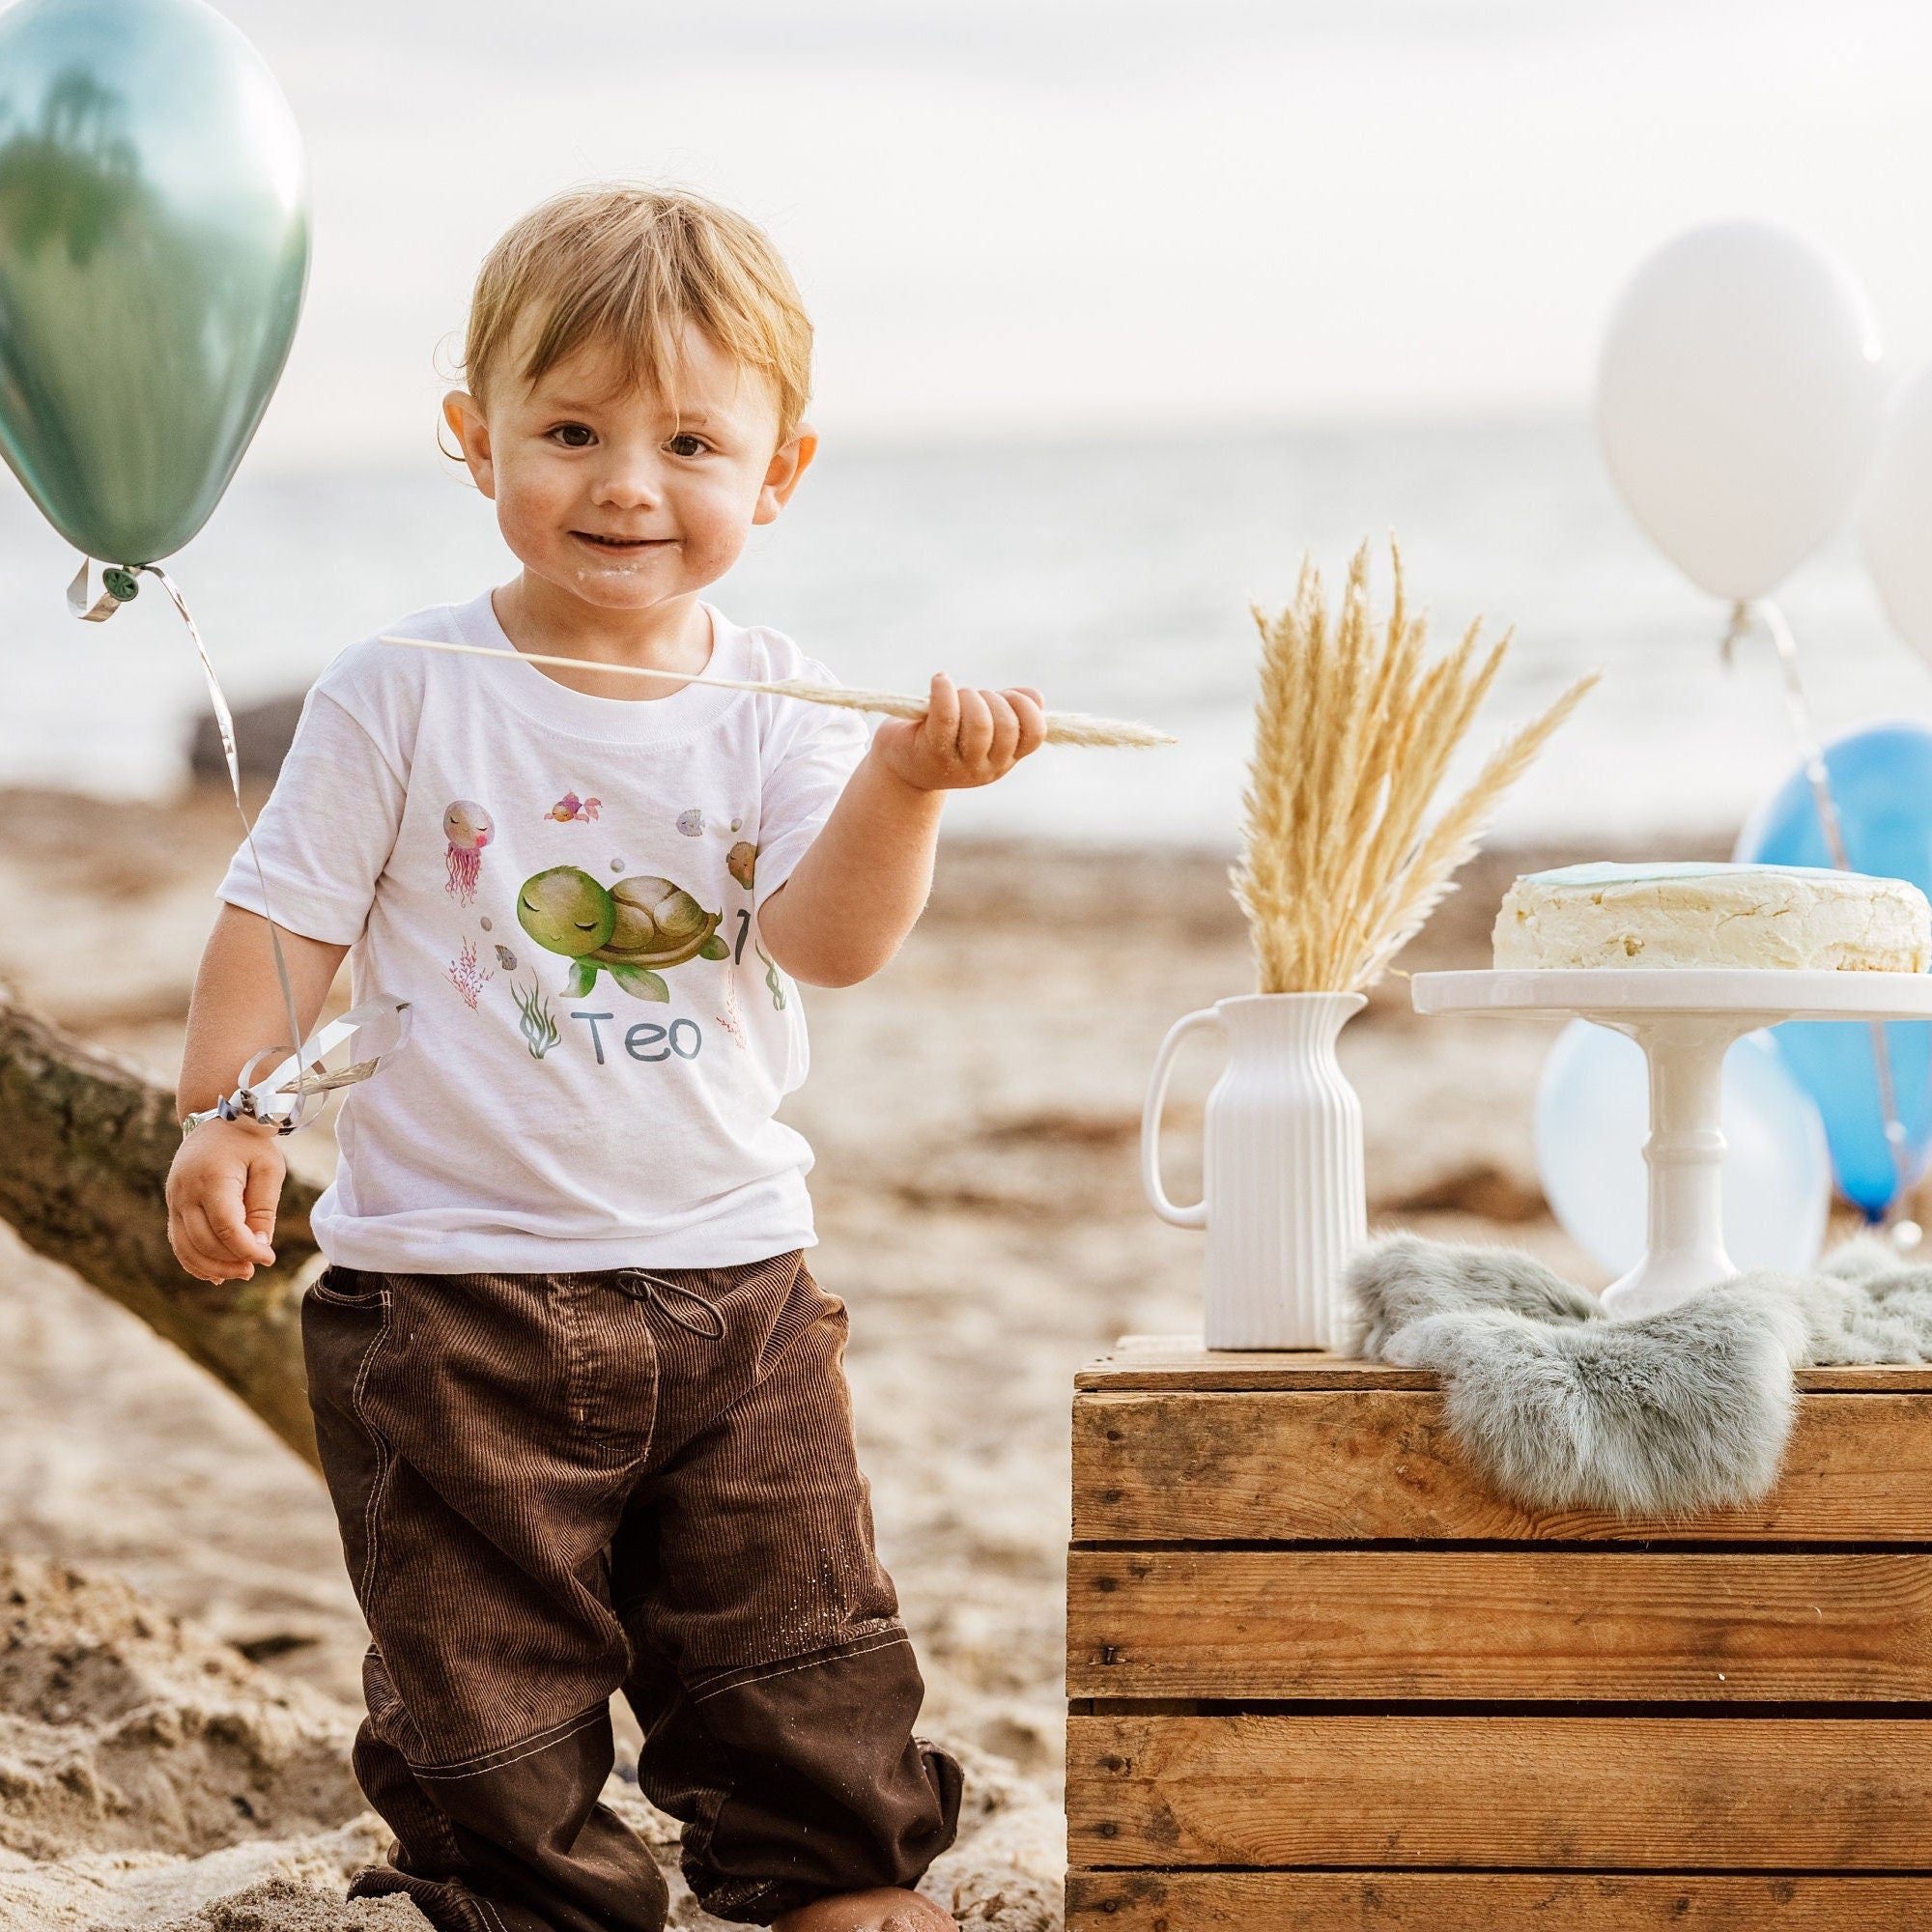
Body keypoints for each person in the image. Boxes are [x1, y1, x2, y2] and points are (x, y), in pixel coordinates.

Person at [165, 183, 1046, 1932]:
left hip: (736, 1285)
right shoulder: (404, 687)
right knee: (483, 1682)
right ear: (470, 435)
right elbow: (284, 917)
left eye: (691, 443)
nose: (627, 484)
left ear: (777, 471)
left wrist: (907, 789)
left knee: (795, 1635)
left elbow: (829, 942)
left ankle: (828, 1881)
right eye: (569, 431)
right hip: (456, 1302)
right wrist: (224, 1111)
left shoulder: (789, 702)